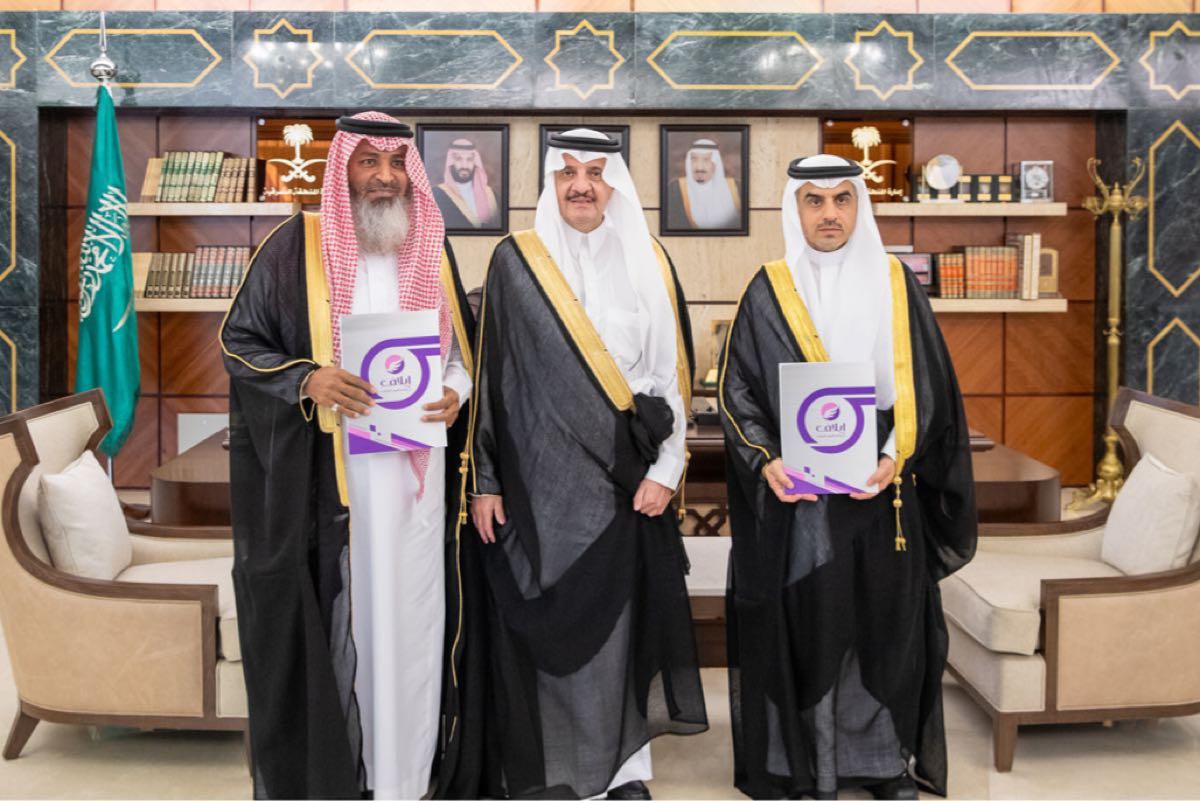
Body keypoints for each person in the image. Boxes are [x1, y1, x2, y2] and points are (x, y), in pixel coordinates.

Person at [220, 111, 476, 800]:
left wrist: (455, 390)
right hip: (332, 485)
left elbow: (459, 353)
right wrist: (308, 379)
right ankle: (346, 779)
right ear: (345, 170)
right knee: (349, 617)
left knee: (413, 619)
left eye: (396, 164)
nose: (385, 178)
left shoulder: (432, 246)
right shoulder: (294, 245)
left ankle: (406, 778)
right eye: (369, 162)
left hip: (416, 483)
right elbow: (240, 342)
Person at [718, 154, 977, 799]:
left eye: (841, 199)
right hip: (799, 499)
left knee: (882, 627)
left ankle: (883, 764)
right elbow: (737, 391)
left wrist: (894, 456)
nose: (829, 213)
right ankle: (803, 765)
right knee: (809, 626)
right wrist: (767, 460)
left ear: (859, 206)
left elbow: (929, 384)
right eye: (814, 200)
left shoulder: (896, 282)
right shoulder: (768, 288)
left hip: (880, 492)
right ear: (795, 209)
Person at [465, 128, 708, 799]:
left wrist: (666, 471)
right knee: (546, 622)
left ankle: (625, 773)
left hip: (624, 479)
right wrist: (485, 479)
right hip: (536, 481)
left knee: (620, 625)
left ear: (614, 183)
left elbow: (670, 375)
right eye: (568, 172)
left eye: (595, 173)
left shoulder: (649, 258)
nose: (581, 185)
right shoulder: (516, 260)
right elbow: (492, 379)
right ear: (550, 181)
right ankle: (552, 770)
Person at [665, 138, 741, 230]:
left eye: (706, 160)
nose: (699, 167)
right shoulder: (674, 189)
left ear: (715, 164)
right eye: (694, 159)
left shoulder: (737, 188)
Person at [433, 137, 500, 229]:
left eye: (469, 159)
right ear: (451, 162)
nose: (464, 165)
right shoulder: (437, 194)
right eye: (458, 159)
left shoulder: (491, 194)